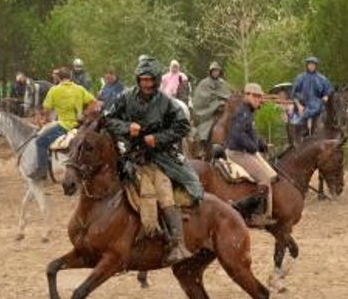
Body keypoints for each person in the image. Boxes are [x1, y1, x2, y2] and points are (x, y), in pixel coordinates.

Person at [104, 56, 201, 262]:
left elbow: (183, 126)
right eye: (143, 80)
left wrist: (157, 139)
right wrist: (126, 128)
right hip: (130, 155)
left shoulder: (166, 102)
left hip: (159, 157)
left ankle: (177, 244)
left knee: (165, 190)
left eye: (150, 80)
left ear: (156, 80)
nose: (146, 84)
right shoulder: (125, 97)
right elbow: (109, 119)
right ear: (138, 79)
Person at [226, 82, 279, 225]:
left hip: (244, 151)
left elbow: (251, 133)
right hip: (238, 153)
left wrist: (261, 144)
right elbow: (238, 135)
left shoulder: (247, 112)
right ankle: (255, 214)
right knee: (264, 179)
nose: (259, 99)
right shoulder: (242, 112)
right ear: (247, 95)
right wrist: (254, 147)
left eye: (260, 97)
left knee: (271, 175)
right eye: (256, 96)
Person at [33, 67, 95, 180]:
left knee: (40, 142)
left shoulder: (54, 90)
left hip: (64, 126)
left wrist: (44, 119)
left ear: (58, 78)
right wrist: (84, 114)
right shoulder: (79, 89)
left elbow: (46, 109)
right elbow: (93, 103)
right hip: (80, 126)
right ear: (70, 77)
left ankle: (42, 171)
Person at [190, 61, 233, 147]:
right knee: (206, 125)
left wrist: (224, 102)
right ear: (210, 72)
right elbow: (201, 98)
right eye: (214, 71)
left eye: (217, 71)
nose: (216, 73)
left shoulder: (223, 83)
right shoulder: (204, 83)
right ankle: (202, 143)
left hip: (223, 109)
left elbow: (228, 95)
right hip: (208, 112)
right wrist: (216, 103)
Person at [290, 55, 333, 137]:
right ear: (307, 65)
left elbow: (328, 90)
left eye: (313, 64)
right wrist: (299, 106)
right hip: (303, 105)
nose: (311, 66)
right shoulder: (300, 78)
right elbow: (293, 93)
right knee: (296, 122)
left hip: (318, 105)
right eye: (310, 64)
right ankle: (298, 140)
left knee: (324, 120)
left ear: (316, 66)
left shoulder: (322, 79)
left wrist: (326, 96)